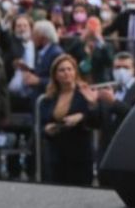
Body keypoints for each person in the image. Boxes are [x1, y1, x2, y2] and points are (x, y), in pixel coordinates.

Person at [38, 53, 100, 185]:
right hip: (56, 154)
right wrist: (46, 129)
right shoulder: (48, 98)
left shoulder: (85, 93)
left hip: (79, 154)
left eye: (69, 69)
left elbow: (96, 121)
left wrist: (86, 112)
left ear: (75, 72)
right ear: (55, 75)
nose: (66, 73)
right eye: (62, 70)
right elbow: (40, 124)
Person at [96, 52, 135, 166]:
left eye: (126, 67)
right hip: (106, 150)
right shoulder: (110, 91)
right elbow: (99, 122)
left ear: (134, 70)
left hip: (129, 150)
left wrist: (114, 102)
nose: (121, 71)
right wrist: (92, 105)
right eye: (117, 67)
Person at [28, 20, 64, 101]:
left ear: (43, 36)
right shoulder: (40, 51)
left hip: (49, 98)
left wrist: (39, 81)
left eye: (34, 34)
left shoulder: (56, 53)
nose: (31, 37)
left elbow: (60, 79)